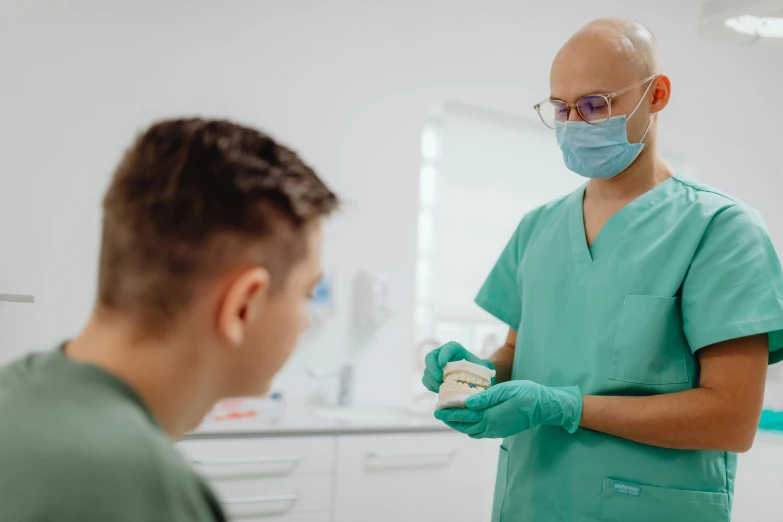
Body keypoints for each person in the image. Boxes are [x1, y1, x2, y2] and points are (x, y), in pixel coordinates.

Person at [424, 17, 783, 522]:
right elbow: (515, 351)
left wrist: (566, 407)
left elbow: (731, 419)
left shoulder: (721, 230)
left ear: (656, 95)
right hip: (531, 501)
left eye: (595, 105)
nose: (574, 124)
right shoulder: (539, 228)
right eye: (561, 109)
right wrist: (472, 377)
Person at [0, 119, 339, 521]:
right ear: (243, 306)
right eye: (307, 294)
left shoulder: (16, 392)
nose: (305, 321)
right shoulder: (143, 489)